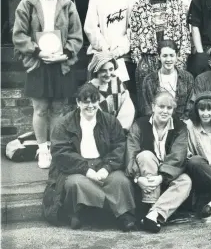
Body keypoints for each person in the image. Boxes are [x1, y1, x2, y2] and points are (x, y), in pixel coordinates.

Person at [13, 0, 83, 169]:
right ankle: (42, 149)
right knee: (41, 108)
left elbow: (76, 36)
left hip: (61, 64)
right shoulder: (27, 4)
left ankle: (55, 150)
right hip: (38, 62)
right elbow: (19, 36)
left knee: (59, 109)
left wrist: (64, 55)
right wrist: (38, 52)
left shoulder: (68, 5)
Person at [43, 84, 136, 231]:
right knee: (75, 184)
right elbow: (61, 152)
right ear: (79, 103)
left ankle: (124, 216)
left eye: (94, 101)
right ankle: (79, 214)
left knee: (121, 181)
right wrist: (85, 169)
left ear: (98, 102)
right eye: (86, 101)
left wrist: (107, 167)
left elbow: (120, 145)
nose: (90, 105)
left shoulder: (110, 121)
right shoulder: (63, 123)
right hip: (76, 168)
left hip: (104, 163)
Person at [126, 91, 192, 233]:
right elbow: (131, 153)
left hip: (168, 176)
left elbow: (178, 157)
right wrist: (138, 178)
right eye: (161, 106)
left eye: (169, 108)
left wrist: (161, 178)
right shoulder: (139, 124)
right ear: (153, 106)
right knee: (145, 156)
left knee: (186, 181)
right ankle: (150, 207)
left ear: (173, 110)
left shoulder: (180, 127)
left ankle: (153, 214)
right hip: (145, 177)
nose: (165, 111)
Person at [129, 0, 191, 96]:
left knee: (173, 98)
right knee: (148, 100)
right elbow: (134, 35)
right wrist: (139, 60)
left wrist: (182, 58)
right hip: (148, 59)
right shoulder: (139, 5)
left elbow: (185, 33)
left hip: (172, 59)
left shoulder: (177, 3)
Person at [84, 0, 135, 94]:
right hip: (101, 54)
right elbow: (91, 27)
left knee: (121, 94)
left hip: (122, 56)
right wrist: (105, 49)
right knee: (99, 94)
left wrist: (119, 50)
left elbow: (132, 28)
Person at [140, 40, 194, 119]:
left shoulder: (187, 78)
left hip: (181, 122)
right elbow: (147, 107)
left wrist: (183, 121)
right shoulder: (149, 80)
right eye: (165, 56)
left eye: (171, 55)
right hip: (157, 122)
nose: (168, 59)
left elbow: (190, 104)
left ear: (177, 55)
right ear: (159, 56)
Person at [87, 53, 135, 130]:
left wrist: (119, 128)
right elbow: (92, 116)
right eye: (103, 71)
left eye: (111, 69)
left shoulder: (117, 82)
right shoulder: (89, 89)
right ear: (96, 71)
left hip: (119, 128)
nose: (108, 74)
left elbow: (127, 108)